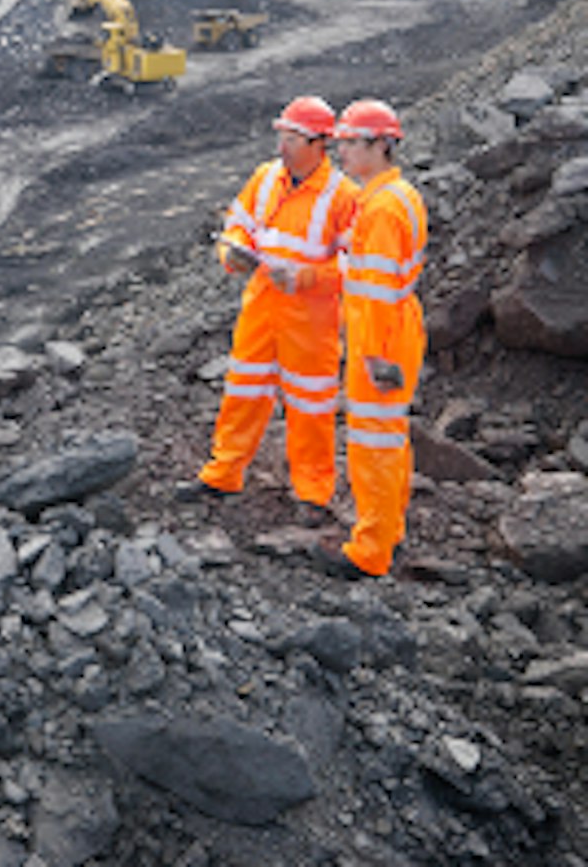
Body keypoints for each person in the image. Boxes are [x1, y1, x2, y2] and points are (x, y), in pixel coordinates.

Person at [177, 97, 358, 515]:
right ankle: (223, 475)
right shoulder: (265, 178)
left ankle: (313, 493)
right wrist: (232, 254)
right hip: (260, 307)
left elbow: (356, 265)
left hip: (310, 321)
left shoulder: (342, 196)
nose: (282, 147)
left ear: (319, 143)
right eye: (282, 137)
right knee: (242, 392)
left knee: (310, 407)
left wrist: (306, 278)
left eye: (292, 139)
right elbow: (237, 224)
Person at [316, 98, 428, 580]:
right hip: (391, 329)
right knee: (388, 438)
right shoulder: (392, 196)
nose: (341, 151)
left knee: (372, 443)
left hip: (380, 337)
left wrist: (375, 358)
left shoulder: (382, 208)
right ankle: (388, 533)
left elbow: (378, 291)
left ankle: (371, 552)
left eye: (351, 142)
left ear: (381, 145)